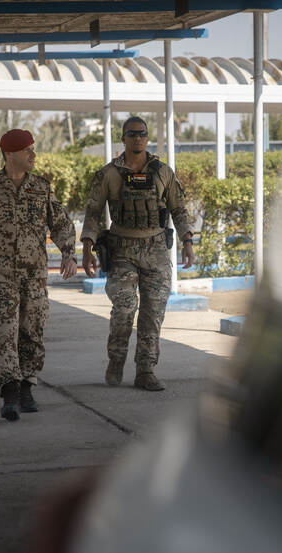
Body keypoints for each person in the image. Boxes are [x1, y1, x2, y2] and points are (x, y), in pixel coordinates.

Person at [0, 129, 77, 421]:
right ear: (10, 155)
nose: (33, 155)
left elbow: (60, 223)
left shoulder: (42, 188)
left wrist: (69, 253)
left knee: (32, 330)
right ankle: (9, 390)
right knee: (7, 329)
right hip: (0, 272)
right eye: (27, 151)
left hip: (35, 273)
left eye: (33, 149)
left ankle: (27, 385)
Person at [81, 116, 195, 392]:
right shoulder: (109, 173)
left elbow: (179, 209)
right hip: (122, 251)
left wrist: (188, 241)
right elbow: (94, 213)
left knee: (152, 313)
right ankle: (116, 360)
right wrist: (87, 248)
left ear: (147, 137)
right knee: (124, 308)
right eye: (132, 134)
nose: (137, 138)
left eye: (142, 134)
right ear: (123, 138)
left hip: (156, 251)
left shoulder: (162, 172)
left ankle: (146, 370)